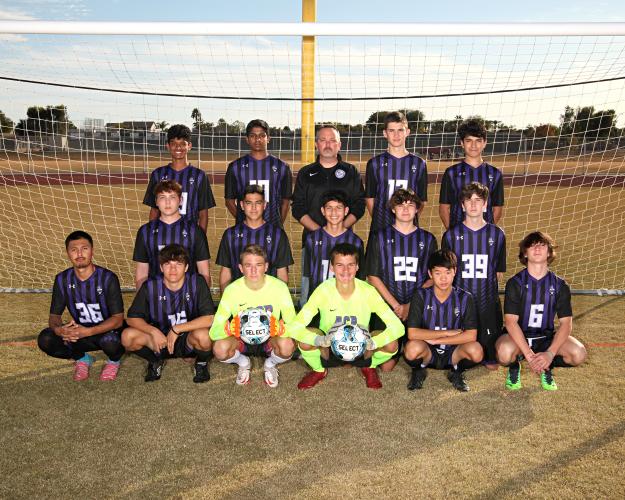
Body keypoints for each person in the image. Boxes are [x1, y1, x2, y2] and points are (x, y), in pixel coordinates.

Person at [291, 243, 404, 390]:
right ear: (331, 267)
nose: (345, 270)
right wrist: (319, 340)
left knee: (392, 344)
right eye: (340, 265)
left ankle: (370, 367)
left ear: (357, 267)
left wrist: (374, 343)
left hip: (361, 347)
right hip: (329, 346)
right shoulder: (323, 290)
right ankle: (318, 370)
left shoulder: (368, 291)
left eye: (350, 265)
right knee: (305, 341)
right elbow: (295, 327)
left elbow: (398, 327)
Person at [496, 232, 587, 391]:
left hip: (546, 337)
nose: (537, 248)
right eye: (532, 245)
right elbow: (511, 323)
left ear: (549, 252)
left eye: (542, 245)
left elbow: (566, 324)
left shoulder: (560, 285)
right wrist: (529, 356)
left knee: (578, 354)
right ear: (525, 253)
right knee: (504, 353)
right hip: (518, 337)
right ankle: (515, 365)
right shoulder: (515, 283)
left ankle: (546, 365)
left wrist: (550, 354)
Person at [37, 231, 125, 381]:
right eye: (73, 249)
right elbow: (54, 316)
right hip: (79, 333)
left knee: (111, 342)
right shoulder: (62, 279)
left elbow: (118, 319)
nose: (79, 253)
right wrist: (60, 330)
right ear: (67, 253)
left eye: (84, 248)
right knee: (46, 339)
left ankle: (114, 361)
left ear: (92, 250)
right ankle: (82, 359)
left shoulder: (108, 278)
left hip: (107, 331)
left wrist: (89, 331)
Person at [366, 188, 437, 371]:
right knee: (386, 366)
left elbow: (432, 278)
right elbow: (372, 276)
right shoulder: (379, 237)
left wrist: (410, 305)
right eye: (400, 205)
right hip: (388, 307)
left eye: (410, 205)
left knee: (416, 353)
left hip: (417, 307)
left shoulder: (428, 239)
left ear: (417, 210)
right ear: (392, 209)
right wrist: (397, 306)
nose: (405, 209)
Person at [122, 244, 215, 383]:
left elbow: (210, 318)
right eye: (167, 264)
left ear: (186, 267)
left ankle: (201, 363)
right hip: (160, 340)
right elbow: (132, 318)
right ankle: (155, 361)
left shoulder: (197, 282)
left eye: (178, 264)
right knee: (127, 337)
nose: (172, 269)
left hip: (188, 339)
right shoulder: (151, 286)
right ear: (161, 267)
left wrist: (176, 329)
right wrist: (153, 331)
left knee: (205, 336)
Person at [210, 244, 296, 388]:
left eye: (259, 265)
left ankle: (270, 364)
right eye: (248, 265)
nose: (254, 270)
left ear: (266, 266)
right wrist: (229, 329)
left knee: (287, 345)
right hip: (241, 340)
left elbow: (294, 324)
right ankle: (243, 362)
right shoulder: (231, 290)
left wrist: (281, 329)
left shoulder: (280, 287)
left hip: (270, 339)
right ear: (240, 268)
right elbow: (214, 331)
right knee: (219, 349)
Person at [442, 182, 506, 369]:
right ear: (462, 205)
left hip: (487, 303)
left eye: (478, 200)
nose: (473, 204)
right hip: (460, 304)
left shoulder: (497, 234)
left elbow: (498, 273)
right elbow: (447, 274)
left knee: (492, 363)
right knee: (459, 356)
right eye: (468, 200)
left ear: (486, 204)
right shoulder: (451, 236)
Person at [404, 249, 483, 392]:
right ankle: (419, 370)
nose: (443, 278)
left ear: (455, 271)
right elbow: (412, 333)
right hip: (428, 350)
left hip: (454, 351)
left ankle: (456, 372)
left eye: (447, 272)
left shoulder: (465, 297)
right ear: (430, 274)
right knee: (411, 349)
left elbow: (471, 335)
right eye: (438, 273)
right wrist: (447, 333)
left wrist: (439, 340)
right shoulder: (420, 295)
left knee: (476, 351)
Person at [291, 125, 365, 246]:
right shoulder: (305, 173)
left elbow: (359, 205)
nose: (328, 144)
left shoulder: (351, 171)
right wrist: (320, 233)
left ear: (339, 145)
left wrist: (339, 230)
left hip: (344, 241)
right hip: (312, 240)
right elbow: (297, 208)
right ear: (316, 144)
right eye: (323, 140)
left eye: (332, 140)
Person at [133, 179, 211, 290]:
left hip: (188, 296)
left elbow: (204, 271)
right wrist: (143, 300)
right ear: (156, 201)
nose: (167, 202)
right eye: (162, 197)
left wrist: (203, 299)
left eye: (172, 197)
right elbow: (142, 270)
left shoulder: (195, 231)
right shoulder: (145, 231)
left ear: (180, 200)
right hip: (156, 296)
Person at [216, 184, 293, 293]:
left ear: (264, 205)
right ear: (242, 205)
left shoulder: (278, 234)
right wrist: (225, 301)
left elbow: (282, 273)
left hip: (268, 300)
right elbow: (226, 272)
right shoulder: (230, 235)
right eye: (249, 203)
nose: (253, 208)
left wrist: (279, 299)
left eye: (258, 203)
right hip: (239, 300)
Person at [143, 124, 215, 232]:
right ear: (167, 146)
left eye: (182, 144)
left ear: (189, 146)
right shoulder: (158, 174)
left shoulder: (199, 176)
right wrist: (153, 236)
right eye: (174, 144)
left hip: (190, 237)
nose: (178, 147)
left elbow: (203, 214)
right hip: (164, 235)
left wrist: (201, 241)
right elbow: (154, 210)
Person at [364, 111, 428, 234]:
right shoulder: (374, 163)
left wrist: (406, 220)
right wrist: (381, 221)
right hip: (380, 228)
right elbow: (370, 199)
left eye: (400, 130)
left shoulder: (419, 164)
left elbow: (421, 201)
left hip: (409, 229)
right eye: (391, 130)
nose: (396, 135)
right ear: (385, 133)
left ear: (407, 132)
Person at [300, 190, 364, 307]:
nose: (334, 212)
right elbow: (307, 276)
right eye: (329, 208)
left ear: (346, 211)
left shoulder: (356, 242)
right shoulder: (311, 240)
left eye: (339, 208)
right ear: (322, 211)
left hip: (346, 304)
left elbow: (359, 278)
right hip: (319, 302)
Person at [224, 119, 292, 227]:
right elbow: (229, 201)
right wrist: (245, 222)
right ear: (247, 139)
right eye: (253, 136)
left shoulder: (282, 167)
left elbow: (285, 202)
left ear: (268, 138)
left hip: (273, 230)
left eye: (262, 135)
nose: (257, 139)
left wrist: (276, 226)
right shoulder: (235, 167)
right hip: (245, 231)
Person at [439, 118, 504, 229]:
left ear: (484, 143)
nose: (473, 145)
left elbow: (497, 208)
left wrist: (486, 231)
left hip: (484, 237)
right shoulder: (451, 173)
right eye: (469, 141)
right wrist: (453, 234)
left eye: (478, 141)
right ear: (462, 143)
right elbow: (444, 208)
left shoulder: (495, 173)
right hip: (458, 237)